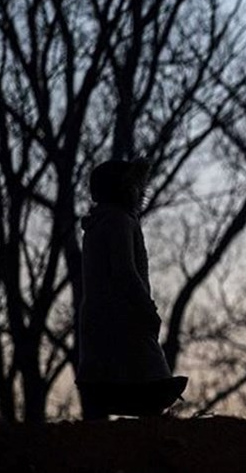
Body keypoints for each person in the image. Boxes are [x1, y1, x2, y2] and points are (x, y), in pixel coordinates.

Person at [77, 159, 187, 420]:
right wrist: (146, 309)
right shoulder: (119, 222)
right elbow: (125, 271)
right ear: (125, 189)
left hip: (98, 316)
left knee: (106, 379)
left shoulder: (96, 225)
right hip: (124, 317)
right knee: (148, 376)